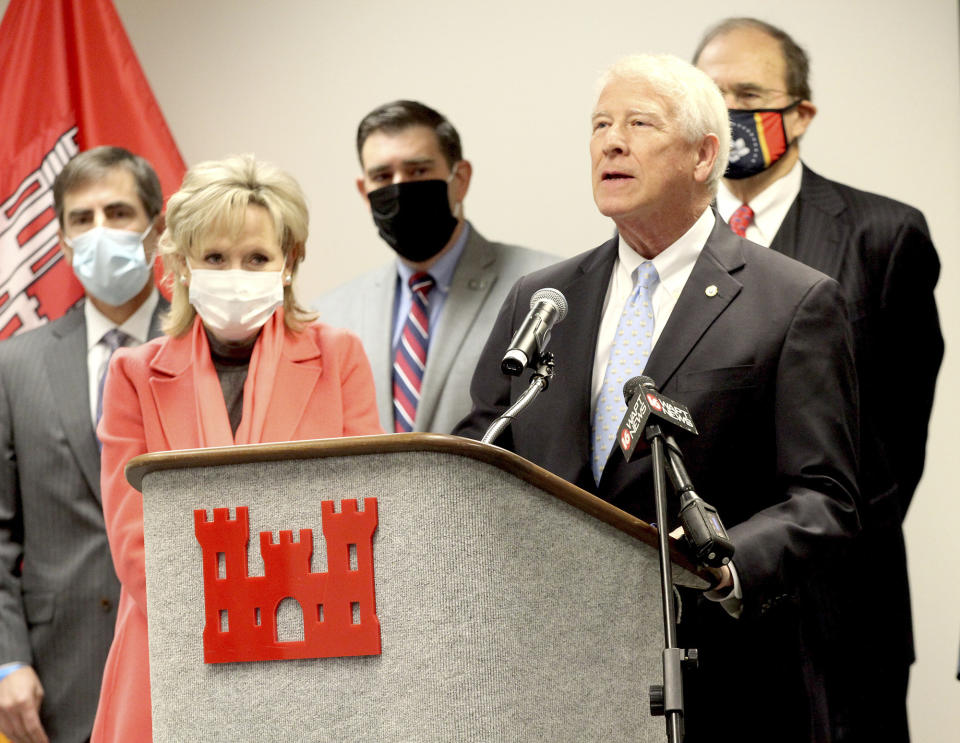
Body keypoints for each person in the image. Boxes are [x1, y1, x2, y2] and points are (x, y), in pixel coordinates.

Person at [454, 54, 860, 742]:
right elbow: (481, 454)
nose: (611, 142)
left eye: (639, 123)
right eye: (600, 125)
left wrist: (726, 562)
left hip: (724, 681)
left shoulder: (791, 302)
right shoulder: (545, 299)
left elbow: (825, 497)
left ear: (705, 154)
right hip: (560, 677)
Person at [693, 18, 943, 741]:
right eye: (712, 94)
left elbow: (896, 441)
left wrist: (795, 544)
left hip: (840, 613)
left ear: (801, 113)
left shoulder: (882, 235)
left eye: (749, 92)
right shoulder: (670, 249)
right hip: (705, 607)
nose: (729, 110)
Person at [90, 155, 381, 742]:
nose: (235, 274)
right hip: (171, 651)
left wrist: (273, 622)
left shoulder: (338, 356)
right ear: (183, 264)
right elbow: (133, 541)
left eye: (256, 258)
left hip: (311, 648)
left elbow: (363, 512)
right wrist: (229, 622)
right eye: (216, 258)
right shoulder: (132, 373)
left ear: (289, 262)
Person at [0, 146, 169, 743]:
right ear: (65, 241)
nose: (100, 232)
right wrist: (6, 659)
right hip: (56, 675)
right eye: (81, 218)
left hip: (182, 661)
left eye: (118, 213)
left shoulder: (204, 348)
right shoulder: (15, 364)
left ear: (155, 229)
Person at [314, 100, 556, 434]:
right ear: (364, 190)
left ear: (461, 179)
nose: (400, 188)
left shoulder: (542, 288)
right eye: (382, 176)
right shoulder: (330, 315)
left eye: (418, 171)